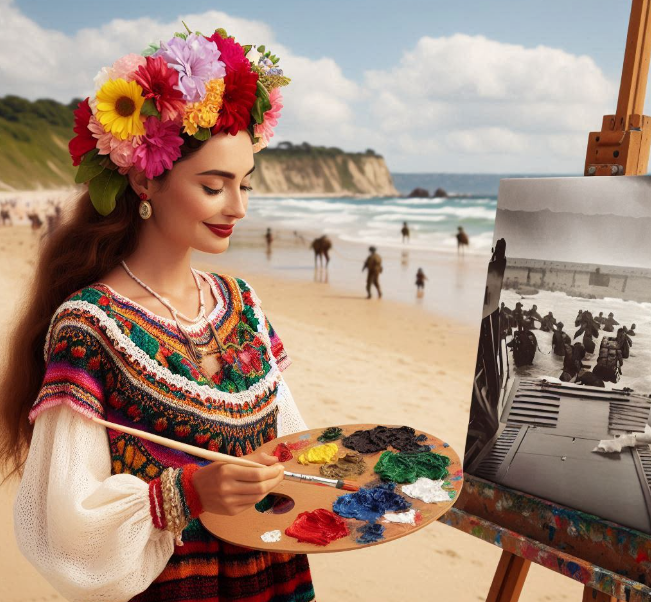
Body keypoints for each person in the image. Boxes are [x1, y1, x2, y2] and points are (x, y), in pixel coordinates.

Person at [4, 27, 316, 602]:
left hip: (271, 579)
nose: (238, 208)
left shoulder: (241, 303)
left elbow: (290, 441)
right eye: (214, 186)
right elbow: (63, 524)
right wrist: (187, 493)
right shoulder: (91, 326)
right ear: (146, 176)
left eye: (245, 184)